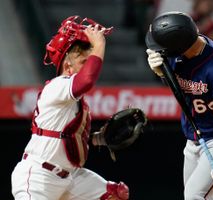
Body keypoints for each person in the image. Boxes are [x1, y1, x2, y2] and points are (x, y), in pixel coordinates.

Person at [11, 15, 129, 200]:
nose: (88, 65)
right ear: (68, 66)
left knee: (116, 195)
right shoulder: (57, 86)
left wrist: (98, 139)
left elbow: (64, 137)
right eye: (84, 61)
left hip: (70, 177)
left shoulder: (73, 100)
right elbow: (87, 80)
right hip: (38, 177)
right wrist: (98, 45)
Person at [145, 11, 213, 200]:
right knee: (193, 196)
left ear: (178, 46)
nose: (159, 49)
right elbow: (185, 88)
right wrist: (163, 74)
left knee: (194, 195)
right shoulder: (179, 51)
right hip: (195, 137)